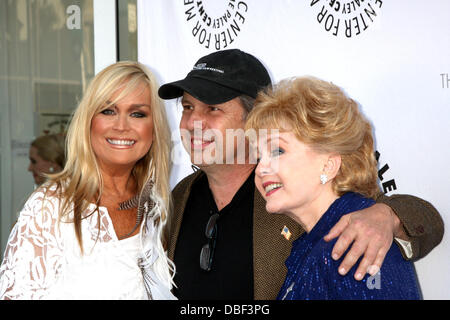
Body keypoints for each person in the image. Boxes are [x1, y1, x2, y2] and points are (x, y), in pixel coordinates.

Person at [158, 49, 443, 300]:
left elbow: (425, 220)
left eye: (213, 108)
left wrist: (386, 216)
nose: (193, 121)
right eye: (187, 107)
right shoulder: (180, 196)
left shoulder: (293, 190)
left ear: (251, 119)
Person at [0, 61, 176, 300]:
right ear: (88, 122)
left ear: (154, 128)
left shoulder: (157, 205)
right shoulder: (50, 207)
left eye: (137, 114)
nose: (122, 126)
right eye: (108, 111)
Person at [245, 76, 423, 299]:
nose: (261, 168)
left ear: (329, 165)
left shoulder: (356, 245)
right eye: (258, 156)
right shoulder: (317, 243)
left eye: (277, 151)